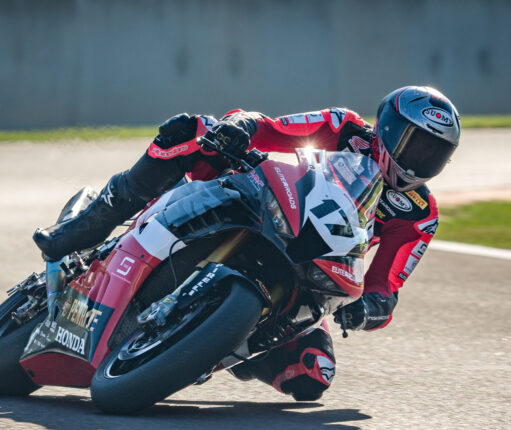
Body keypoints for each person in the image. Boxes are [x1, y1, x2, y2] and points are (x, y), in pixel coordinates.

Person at [33, 85, 460, 401]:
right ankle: (86, 227)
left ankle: (216, 341)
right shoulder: (344, 127)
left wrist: (371, 308)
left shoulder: (420, 213)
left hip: (310, 274)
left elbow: (386, 285)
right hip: (270, 207)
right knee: (192, 130)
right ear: (388, 129)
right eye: (416, 144)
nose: (421, 160)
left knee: (312, 374)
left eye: (435, 154)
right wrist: (241, 128)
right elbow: (271, 129)